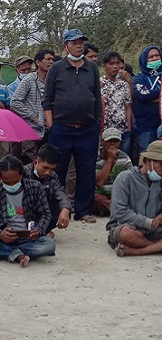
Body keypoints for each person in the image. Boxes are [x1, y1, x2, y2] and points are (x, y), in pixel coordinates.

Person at [42, 29, 102, 224]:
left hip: (87, 128)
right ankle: (55, 210)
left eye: (81, 42)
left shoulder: (92, 68)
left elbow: (97, 99)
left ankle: (84, 210)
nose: (78, 46)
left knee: (86, 170)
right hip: (61, 128)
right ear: (65, 46)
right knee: (56, 170)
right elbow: (48, 99)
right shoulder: (57, 68)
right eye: (74, 42)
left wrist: (97, 124)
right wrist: (51, 125)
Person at [0, 155, 56, 267]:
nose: (12, 185)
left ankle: (2, 252)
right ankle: (15, 254)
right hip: (1, 239)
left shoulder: (35, 187)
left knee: (49, 245)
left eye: (15, 181)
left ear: (21, 175)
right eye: (7, 182)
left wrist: (38, 230)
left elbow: (46, 214)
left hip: (27, 239)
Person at [106, 141, 162, 256]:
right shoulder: (125, 178)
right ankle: (155, 247)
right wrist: (149, 222)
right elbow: (119, 212)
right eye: (161, 164)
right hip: (128, 226)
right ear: (147, 161)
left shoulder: (160, 181)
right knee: (126, 233)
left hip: (154, 230)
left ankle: (136, 251)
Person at [10, 49, 56, 163]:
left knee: (47, 162)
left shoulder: (54, 80)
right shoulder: (29, 79)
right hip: (31, 129)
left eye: (52, 59)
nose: (51, 62)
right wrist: (33, 116)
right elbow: (15, 102)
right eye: (47, 59)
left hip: (49, 129)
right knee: (30, 163)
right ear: (38, 62)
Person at [23, 144, 71, 237]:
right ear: (35, 162)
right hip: (22, 214)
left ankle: (41, 231)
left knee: (64, 209)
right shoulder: (22, 173)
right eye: (45, 168)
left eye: (52, 169)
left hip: (41, 215)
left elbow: (60, 193)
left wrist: (65, 209)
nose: (48, 172)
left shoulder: (53, 176)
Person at [94, 128, 134, 216]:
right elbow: (99, 183)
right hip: (101, 194)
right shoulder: (95, 157)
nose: (112, 144)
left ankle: (116, 210)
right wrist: (110, 160)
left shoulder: (124, 157)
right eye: (109, 141)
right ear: (102, 142)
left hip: (118, 196)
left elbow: (131, 178)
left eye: (116, 141)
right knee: (98, 200)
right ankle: (120, 211)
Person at [100, 51, 133, 154]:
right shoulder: (99, 84)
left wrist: (129, 127)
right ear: (104, 66)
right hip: (105, 130)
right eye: (111, 63)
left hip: (122, 130)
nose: (115, 66)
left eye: (117, 63)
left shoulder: (124, 85)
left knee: (123, 158)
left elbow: (127, 106)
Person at [132, 45, 162, 153]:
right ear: (144, 59)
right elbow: (142, 94)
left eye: (157, 56)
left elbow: (147, 94)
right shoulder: (139, 78)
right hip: (146, 125)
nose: (155, 59)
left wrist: (152, 97)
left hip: (161, 124)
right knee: (147, 156)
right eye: (151, 57)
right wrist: (160, 95)